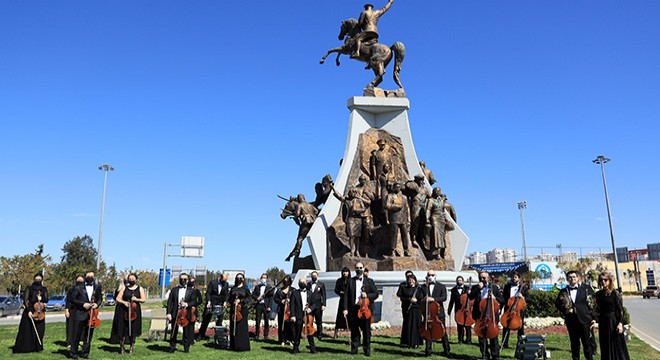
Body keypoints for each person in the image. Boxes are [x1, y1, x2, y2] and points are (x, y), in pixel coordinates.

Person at [555, 270, 596, 360]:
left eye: (574, 277)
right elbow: (557, 303)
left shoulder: (586, 288)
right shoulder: (564, 291)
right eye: (570, 277)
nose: (572, 279)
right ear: (567, 279)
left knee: (587, 344)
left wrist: (593, 318)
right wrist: (565, 310)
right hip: (571, 321)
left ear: (578, 278)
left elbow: (593, 303)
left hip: (584, 320)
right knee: (574, 344)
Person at [342, 262, 379, 356]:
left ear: (363, 269)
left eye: (360, 267)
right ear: (355, 269)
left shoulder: (369, 281)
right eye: (357, 268)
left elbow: (376, 294)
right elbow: (346, 296)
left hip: (365, 310)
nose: (359, 269)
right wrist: (345, 308)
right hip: (354, 309)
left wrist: (367, 295)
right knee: (354, 330)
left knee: (366, 331)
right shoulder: (350, 281)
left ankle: (367, 350)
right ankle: (354, 349)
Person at [593, 272, 630, 360]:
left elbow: (620, 310)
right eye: (601, 280)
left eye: (605, 280)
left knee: (616, 344)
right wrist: (594, 319)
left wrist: (620, 324)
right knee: (605, 343)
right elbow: (596, 309)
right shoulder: (598, 294)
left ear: (609, 281)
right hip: (603, 321)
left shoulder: (615, 293)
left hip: (613, 321)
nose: (603, 282)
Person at [469, 271, 504, 360]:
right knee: (481, 338)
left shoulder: (494, 288)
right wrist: (478, 288)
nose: (482, 279)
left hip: (491, 316)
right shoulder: (476, 287)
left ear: (488, 278)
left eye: (484, 278)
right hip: (480, 316)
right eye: (480, 277)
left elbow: (502, 300)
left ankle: (495, 355)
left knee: (493, 337)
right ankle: (485, 355)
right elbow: (470, 297)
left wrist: (495, 298)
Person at [69, 270, 103, 359]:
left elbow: (99, 298)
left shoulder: (97, 287)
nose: (90, 277)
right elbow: (72, 300)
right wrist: (82, 304)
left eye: (92, 276)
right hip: (80, 313)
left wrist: (97, 304)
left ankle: (85, 353)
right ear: (85, 277)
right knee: (76, 334)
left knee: (88, 335)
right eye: (89, 276)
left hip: (91, 314)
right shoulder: (78, 287)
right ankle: (74, 353)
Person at [13, 272, 49, 353]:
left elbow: (46, 299)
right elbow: (25, 300)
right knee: (28, 330)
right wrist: (29, 311)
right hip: (30, 310)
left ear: (42, 280)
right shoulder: (29, 288)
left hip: (40, 311)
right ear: (34, 279)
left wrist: (41, 297)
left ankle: (38, 347)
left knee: (40, 330)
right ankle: (28, 347)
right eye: (36, 279)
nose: (38, 280)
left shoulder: (44, 289)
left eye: (40, 279)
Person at [331, 186, 371, 257]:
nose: (353, 193)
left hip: (358, 219)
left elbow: (363, 209)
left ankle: (357, 251)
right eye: (352, 192)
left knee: (357, 237)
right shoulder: (347, 200)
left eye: (354, 192)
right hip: (351, 219)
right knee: (352, 236)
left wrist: (356, 210)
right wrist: (333, 189)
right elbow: (339, 196)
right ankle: (352, 250)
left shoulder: (359, 200)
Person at [419, 270, 450, 357]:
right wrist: (425, 298)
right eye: (429, 275)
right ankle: (428, 351)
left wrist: (434, 299)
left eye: (432, 275)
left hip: (438, 314)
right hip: (428, 313)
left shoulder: (441, 286)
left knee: (443, 332)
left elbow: (444, 297)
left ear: (435, 276)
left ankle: (447, 351)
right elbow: (420, 298)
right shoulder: (423, 287)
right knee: (428, 332)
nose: (431, 276)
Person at [166, 273, 199, 353]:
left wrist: (187, 304)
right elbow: (170, 302)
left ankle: (186, 348)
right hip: (175, 312)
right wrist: (168, 313)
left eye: (185, 279)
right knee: (174, 331)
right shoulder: (174, 290)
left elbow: (194, 301)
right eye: (181, 279)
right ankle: (172, 347)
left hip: (186, 312)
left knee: (186, 332)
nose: (183, 281)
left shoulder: (191, 291)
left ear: (187, 280)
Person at [116, 273, 146, 354]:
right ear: (128, 280)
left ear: (136, 279)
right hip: (124, 311)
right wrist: (124, 302)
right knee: (123, 329)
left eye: (133, 278)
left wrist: (136, 299)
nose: (131, 280)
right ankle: (122, 347)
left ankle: (131, 347)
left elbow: (143, 299)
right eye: (130, 279)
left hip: (135, 311)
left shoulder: (140, 288)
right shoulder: (124, 288)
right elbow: (118, 298)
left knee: (134, 330)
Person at [286, 194, 319, 261]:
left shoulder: (300, 205)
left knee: (300, 238)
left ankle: (297, 250)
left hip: (305, 223)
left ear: (299, 199)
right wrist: (311, 214)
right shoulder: (310, 205)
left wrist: (296, 215)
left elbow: (297, 214)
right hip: (313, 223)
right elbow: (316, 211)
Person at [501, 272, 529, 349]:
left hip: (519, 311)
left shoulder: (523, 288)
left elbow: (528, 298)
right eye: (513, 277)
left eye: (516, 277)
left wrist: (522, 297)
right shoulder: (507, 287)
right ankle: (504, 343)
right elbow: (504, 298)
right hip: (509, 309)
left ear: (519, 278)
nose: (514, 278)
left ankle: (520, 344)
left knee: (520, 328)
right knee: (506, 326)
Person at [198, 272, 229, 341]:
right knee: (206, 320)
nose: (224, 282)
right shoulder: (212, 282)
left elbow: (226, 294)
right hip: (211, 303)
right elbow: (208, 293)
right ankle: (200, 335)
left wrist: (225, 302)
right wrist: (208, 301)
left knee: (219, 322)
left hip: (220, 304)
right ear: (220, 278)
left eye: (225, 281)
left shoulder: (226, 284)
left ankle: (218, 337)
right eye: (223, 280)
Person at [291, 277, 317, 354]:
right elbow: (292, 305)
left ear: (306, 283)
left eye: (303, 282)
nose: (302, 283)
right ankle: (295, 349)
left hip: (308, 315)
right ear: (299, 284)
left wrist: (310, 309)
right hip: (298, 314)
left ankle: (313, 349)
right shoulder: (295, 293)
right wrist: (292, 315)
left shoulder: (310, 293)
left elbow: (314, 304)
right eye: (300, 282)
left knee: (310, 332)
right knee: (297, 332)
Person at [385, 182, 412, 257]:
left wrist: (409, 219)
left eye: (399, 187)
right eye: (396, 187)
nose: (398, 189)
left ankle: (406, 250)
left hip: (403, 219)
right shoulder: (390, 196)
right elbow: (387, 206)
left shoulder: (404, 197)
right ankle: (393, 250)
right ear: (393, 188)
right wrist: (395, 206)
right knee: (394, 235)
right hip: (394, 218)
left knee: (405, 235)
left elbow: (407, 208)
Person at [398, 274, 423, 348]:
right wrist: (409, 299)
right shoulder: (405, 288)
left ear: (415, 280)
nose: (411, 281)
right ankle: (408, 342)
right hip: (409, 309)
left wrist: (416, 300)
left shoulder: (419, 289)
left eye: (412, 280)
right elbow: (402, 298)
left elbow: (421, 298)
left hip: (417, 309)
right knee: (409, 326)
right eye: (409, 280)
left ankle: (416, 342)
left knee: (417, 326)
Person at [229, 273, 251, 351]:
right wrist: (233, 301)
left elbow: (249, 299)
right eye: (237, 278)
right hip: (234, 309)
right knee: (234, 327)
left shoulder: (245, 288)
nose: (239, 279)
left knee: (242, 328)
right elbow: (229, 298)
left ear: (243, 279)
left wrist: (241, 300)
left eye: (240, 278)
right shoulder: (233, 288)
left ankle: (243, 346)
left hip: (242, 310)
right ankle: (234, 345)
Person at [447, 275, 472, 344]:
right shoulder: (453, 290)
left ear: (463, 281)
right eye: (458, 281)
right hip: (458, 310)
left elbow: (472, 298)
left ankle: (468, 340)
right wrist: (449, 309)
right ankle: (460, 340)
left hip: (467, 309)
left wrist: (470, 293)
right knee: (459, 326)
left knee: (468, 326)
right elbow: (452, 301)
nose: (459, 282)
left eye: (460, 280)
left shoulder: (467, 289)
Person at [425, 187, 447, 259]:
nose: (438, 192)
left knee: (441, 236)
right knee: (436, 235)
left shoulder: (441, 200)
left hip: (441, 219)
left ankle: (440, 252)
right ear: (434, 192)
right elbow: (428, 210)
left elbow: (443, 211)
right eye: (437, 191)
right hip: (434, 218)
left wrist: (445, 219)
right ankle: (436, 254)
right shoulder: (431, 200)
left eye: (439, 191)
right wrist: (427, 219)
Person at [252, 273, 274, 340]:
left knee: (266, 321)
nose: (263, 279)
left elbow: (271, 298)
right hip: (259, 305)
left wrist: (269, 306)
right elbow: (253, 295)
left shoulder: (269, 288)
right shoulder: (257, 287)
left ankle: (266, 335)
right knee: (257, 320)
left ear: (267, 279)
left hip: (266, 305)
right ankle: (257, 335)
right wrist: (257, 298)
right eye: (262, 277)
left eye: (264, 277)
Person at [65, 276, 84, 349]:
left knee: (79, 327)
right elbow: (68, 301)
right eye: (78, 279)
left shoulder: (84, 290)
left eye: (81, 280)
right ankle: (69, 342)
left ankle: (78, 341)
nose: (80, 281)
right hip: (72, 311)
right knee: (71, 327)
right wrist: (67, 310)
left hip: (81, 311)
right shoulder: (71, 290)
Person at [396, 270, 414, 344]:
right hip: (405, 305)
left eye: (411, 276)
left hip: (414, 307)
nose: (409, 278)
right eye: (408, 276)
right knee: (406, 322)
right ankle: (405, 339)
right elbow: (399, 294)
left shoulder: (415, 284)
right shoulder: (402, 285)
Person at [109, 275, 129, 345]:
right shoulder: (121, 288)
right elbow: (115, 297)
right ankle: (117, 338)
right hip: (121, 307)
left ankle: (125, 338)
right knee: (119, 322)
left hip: (124, 306)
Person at [275, 275, 294, 345]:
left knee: (290, 325)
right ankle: (282, 340)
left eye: (287, 281)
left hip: (289, 310)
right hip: (281, 310)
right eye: (284, 281)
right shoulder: (279, 290)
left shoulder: (293, 290)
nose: (285, 282)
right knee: (281, 325)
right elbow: (275, 299)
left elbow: (296, 299)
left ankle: (291, 340)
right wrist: (281, 301)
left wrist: (290, 300)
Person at [308, 271, 327, 340]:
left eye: (315, 275)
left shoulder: (321, 284)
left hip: (319, 306)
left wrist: (324, 304)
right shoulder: (308, 284)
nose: (313, 277)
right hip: (310, 306)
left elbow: (324, 295)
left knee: (319, 321)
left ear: (317, 276)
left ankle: (320, 334)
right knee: (310, 320)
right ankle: (311, 333)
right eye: (312, 276)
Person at [334, 267, 351, 338]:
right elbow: (336, 290)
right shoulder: (339, 280)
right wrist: (341, 293)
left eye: (346, 271)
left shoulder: (351, 280)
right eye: (344, 272)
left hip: (350, 300)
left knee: (350, 316)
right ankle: (336, 332)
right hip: (342, 299)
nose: (345, 273)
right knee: (340, 316)